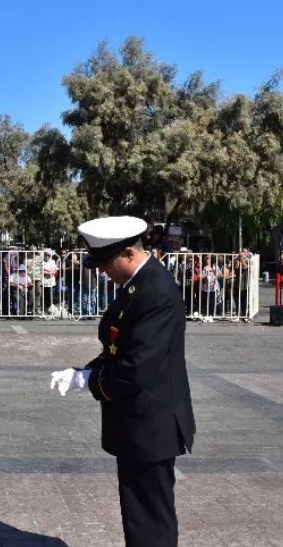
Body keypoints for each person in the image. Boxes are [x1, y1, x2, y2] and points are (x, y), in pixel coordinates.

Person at [50, 216, 195, 547]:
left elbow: (136, 367)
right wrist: (84, 372)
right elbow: (118, 347)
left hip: (151, 423)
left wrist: (88, 381)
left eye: (106, 262)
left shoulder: (155, 292)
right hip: (138, 422)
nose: (102, 271)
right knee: (139, 515)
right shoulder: (137, 286)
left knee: (150, 520)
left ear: (129, 253)